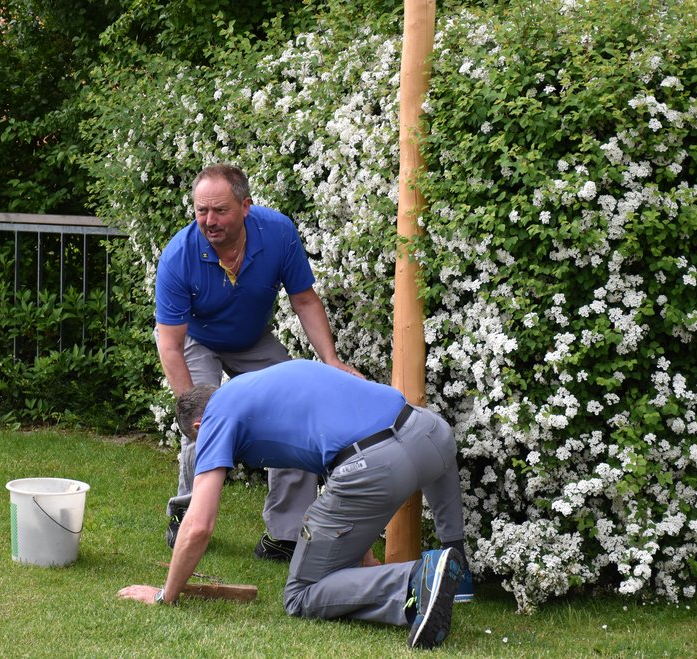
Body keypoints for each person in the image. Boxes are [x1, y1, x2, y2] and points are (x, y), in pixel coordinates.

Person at [117, 360, 467, 650]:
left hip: (376, 465)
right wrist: (363, 555)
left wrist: (166, 595)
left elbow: (198, 525)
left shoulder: (215, 418)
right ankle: (457, 565)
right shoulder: (262, 386)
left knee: (301, 594)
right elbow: (344, 450)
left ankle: (415, 579)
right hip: (430, 433)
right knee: (366, 482)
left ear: (198, 425)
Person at [154, 163, 362, 560]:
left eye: (219, 211)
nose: (209, 221)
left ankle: (283, 535)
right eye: (201, 211)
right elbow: (171, 345)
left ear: (245, 206)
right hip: (196, 340)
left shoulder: (278, 233)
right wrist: (191, 407)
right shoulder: (178, 257)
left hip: (252, 340)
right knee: (203, 423)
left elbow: (304, 300)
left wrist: (331, 359)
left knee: (294, 416)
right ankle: (186, 515)